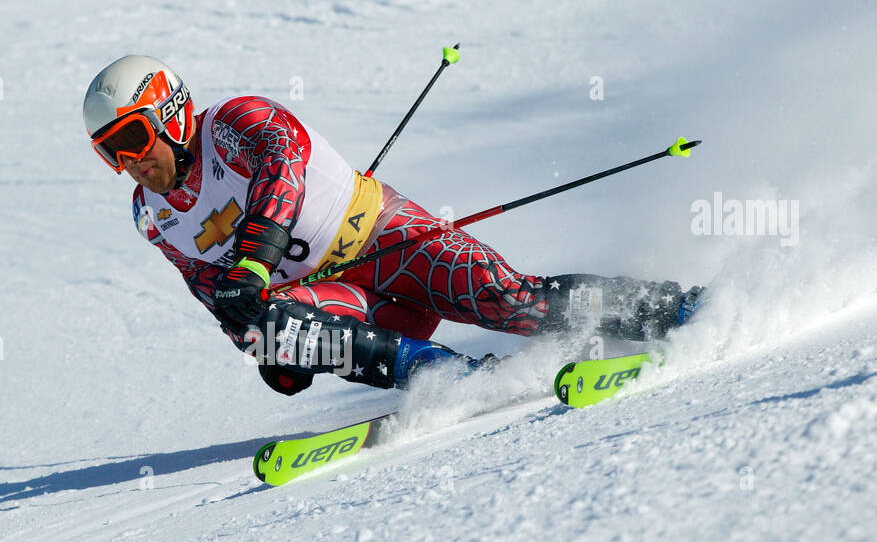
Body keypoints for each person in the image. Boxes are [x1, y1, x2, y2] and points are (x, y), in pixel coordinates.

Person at [83, 54, 700, 396]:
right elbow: (219, 298)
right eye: (110, 152)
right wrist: (271, 351)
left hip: (392, 241)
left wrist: (251, 266)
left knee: (515, 304)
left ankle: (671, 309)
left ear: (169, 112)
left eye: (134, 137)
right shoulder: (152, 218)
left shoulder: (235, 122)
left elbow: (282, 178)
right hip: (346, 297)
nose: (130, 161)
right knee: (274, 333)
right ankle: (452, 381)